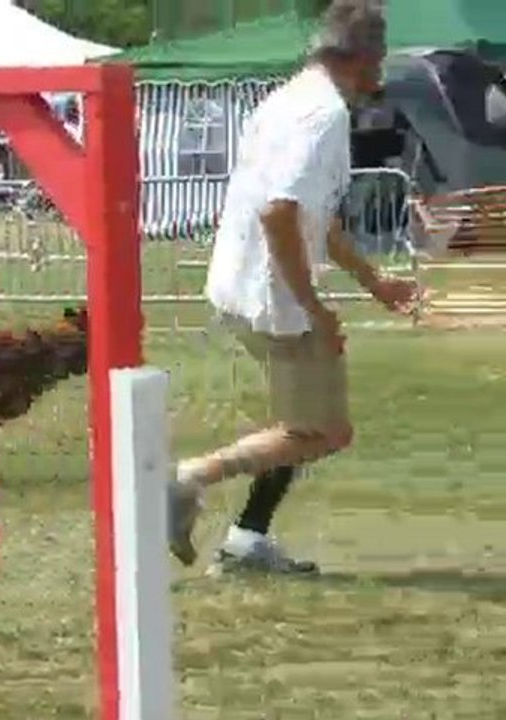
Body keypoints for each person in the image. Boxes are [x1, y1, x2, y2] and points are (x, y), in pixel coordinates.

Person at [167, 0, 421, 576]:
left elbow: (311, 215)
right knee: (324, 430)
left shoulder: (286, 100)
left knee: (298, 420)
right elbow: (280, 214)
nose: (380, 74)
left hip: (242, 285)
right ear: (365, 57)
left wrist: (373, 279)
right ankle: (188, 480)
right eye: (379, 59)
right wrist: (316, 309)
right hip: (273, 298)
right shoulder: (323, 115)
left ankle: (246, 541)